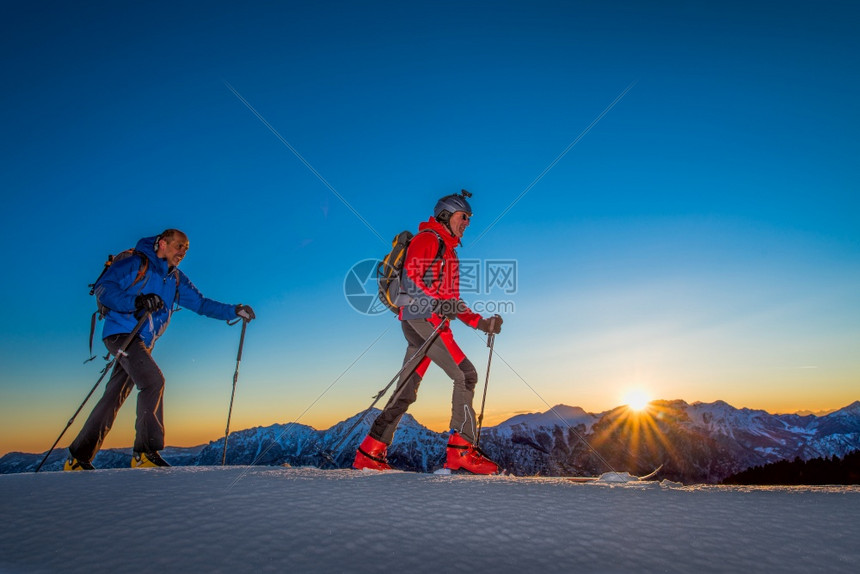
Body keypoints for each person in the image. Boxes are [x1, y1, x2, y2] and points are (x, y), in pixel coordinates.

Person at [64, 229, 255, 470]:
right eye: (179, 246)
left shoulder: (175, 279)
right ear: (162, 244)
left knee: (114, 396)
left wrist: (234, 310)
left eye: (186, 249)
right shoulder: (137, 263)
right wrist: (136, 302)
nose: (183, 252)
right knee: (153, 381)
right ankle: (144, 453)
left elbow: (201, 304)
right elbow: (105, 286)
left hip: (141, 342)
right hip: (122, 334)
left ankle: (77, 458)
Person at [353, 191, 503, 474]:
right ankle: (461, 451)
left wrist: (483, 324)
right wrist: (437, 304)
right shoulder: (427, 241)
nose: (467, 222)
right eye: (464, 217)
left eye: (469, 218)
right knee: (466, 375)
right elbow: (410, 282)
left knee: (405, 391)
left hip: (429, 321)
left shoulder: (450, 253)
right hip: (423, 320)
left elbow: (453, 302)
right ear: (446, 215)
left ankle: (369, 452)